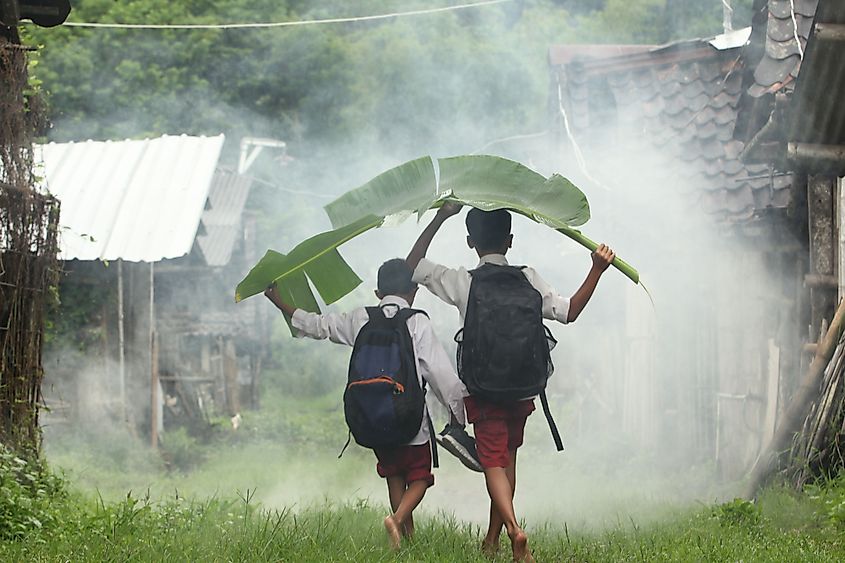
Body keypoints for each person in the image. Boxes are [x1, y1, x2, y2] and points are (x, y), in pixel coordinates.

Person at [406, 203, 616, 562]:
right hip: (522, 387)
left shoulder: (463, 281)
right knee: (508, 461)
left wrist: (441, 217)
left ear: (471, 241)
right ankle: (492, 540)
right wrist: (596, 269)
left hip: (482, 390)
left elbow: (411, 266)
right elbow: (570, 311)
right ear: (510, 240)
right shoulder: (529, 277)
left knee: (492, 463)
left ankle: (515, 531)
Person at [263, 258, 480, 550]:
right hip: (409, 416)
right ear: (413, 292)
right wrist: (459, 414)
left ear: (378, 293)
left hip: (372, 415)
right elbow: (440, 374)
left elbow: (318, 325)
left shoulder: (360, 318)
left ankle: (407, 540)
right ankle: (397, 519)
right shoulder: (417, 321)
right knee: (420, 477)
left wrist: (280, 303)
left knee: (394, 475)